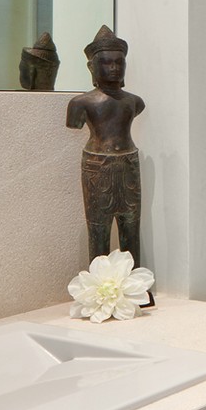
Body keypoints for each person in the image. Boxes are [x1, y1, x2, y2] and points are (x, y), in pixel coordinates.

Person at [66, 26, 146, 265]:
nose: (114, 68)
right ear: (92, 67)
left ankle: (135, 285)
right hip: (96, 165)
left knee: (130, 227)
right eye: (107, 63)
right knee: (98, 228)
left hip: (128, 164)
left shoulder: (134, 102)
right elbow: (74, 124)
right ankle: (97, 288)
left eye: (119, 63)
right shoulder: (80, 104)